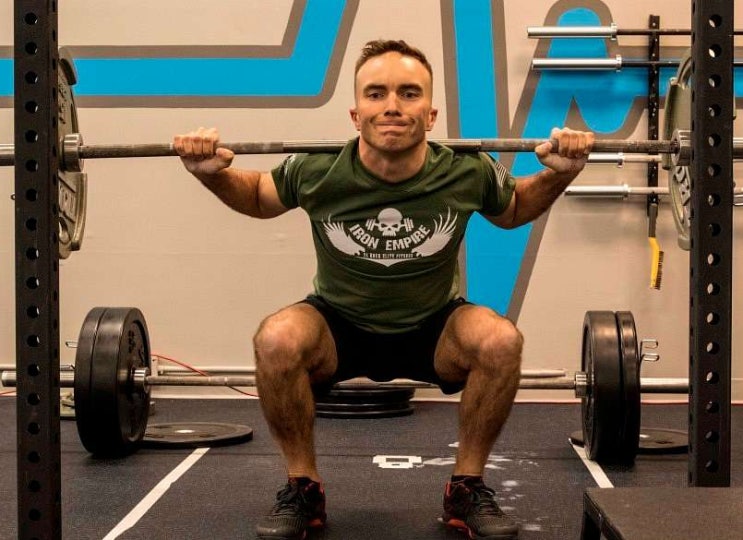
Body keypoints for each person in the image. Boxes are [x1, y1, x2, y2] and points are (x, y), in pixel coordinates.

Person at [174, 39, 594, 540]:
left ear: (431, 114)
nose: (392, 106)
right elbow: (260, 197)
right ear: (356, 114)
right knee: (276, 338)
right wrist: (211, 176)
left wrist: (561, 174)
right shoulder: (318, 169)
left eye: (408, 93)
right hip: (339, 324)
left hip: (433, 326)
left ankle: (466, 488)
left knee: (500, 340)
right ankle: (302, 489)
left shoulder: (465, 169)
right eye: (376, 94)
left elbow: (515, 209)